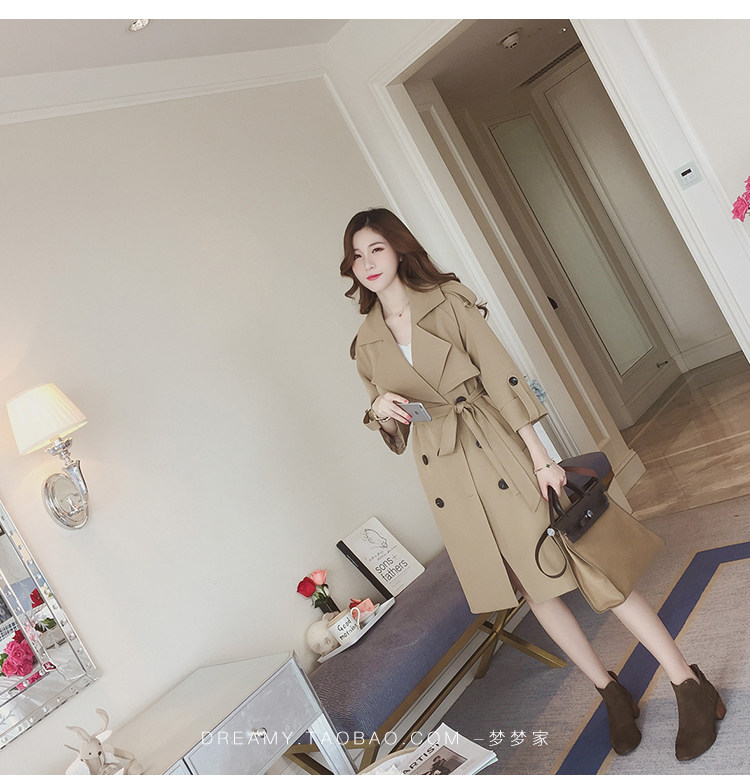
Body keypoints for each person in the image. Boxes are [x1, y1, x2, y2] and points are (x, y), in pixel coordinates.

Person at [341, 207, 725, 762]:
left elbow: (503, 379)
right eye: (357, 255)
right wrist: (378, 409)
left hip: (499, 450)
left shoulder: (447, 302)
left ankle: (687, 681)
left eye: (376, 248)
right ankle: (609, 691)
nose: (367, 263)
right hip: (446, 473)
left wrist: (542, 458)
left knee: (592, 567)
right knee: (535, 588)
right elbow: (394, 429)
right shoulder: (366, 342)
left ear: (399, 249)